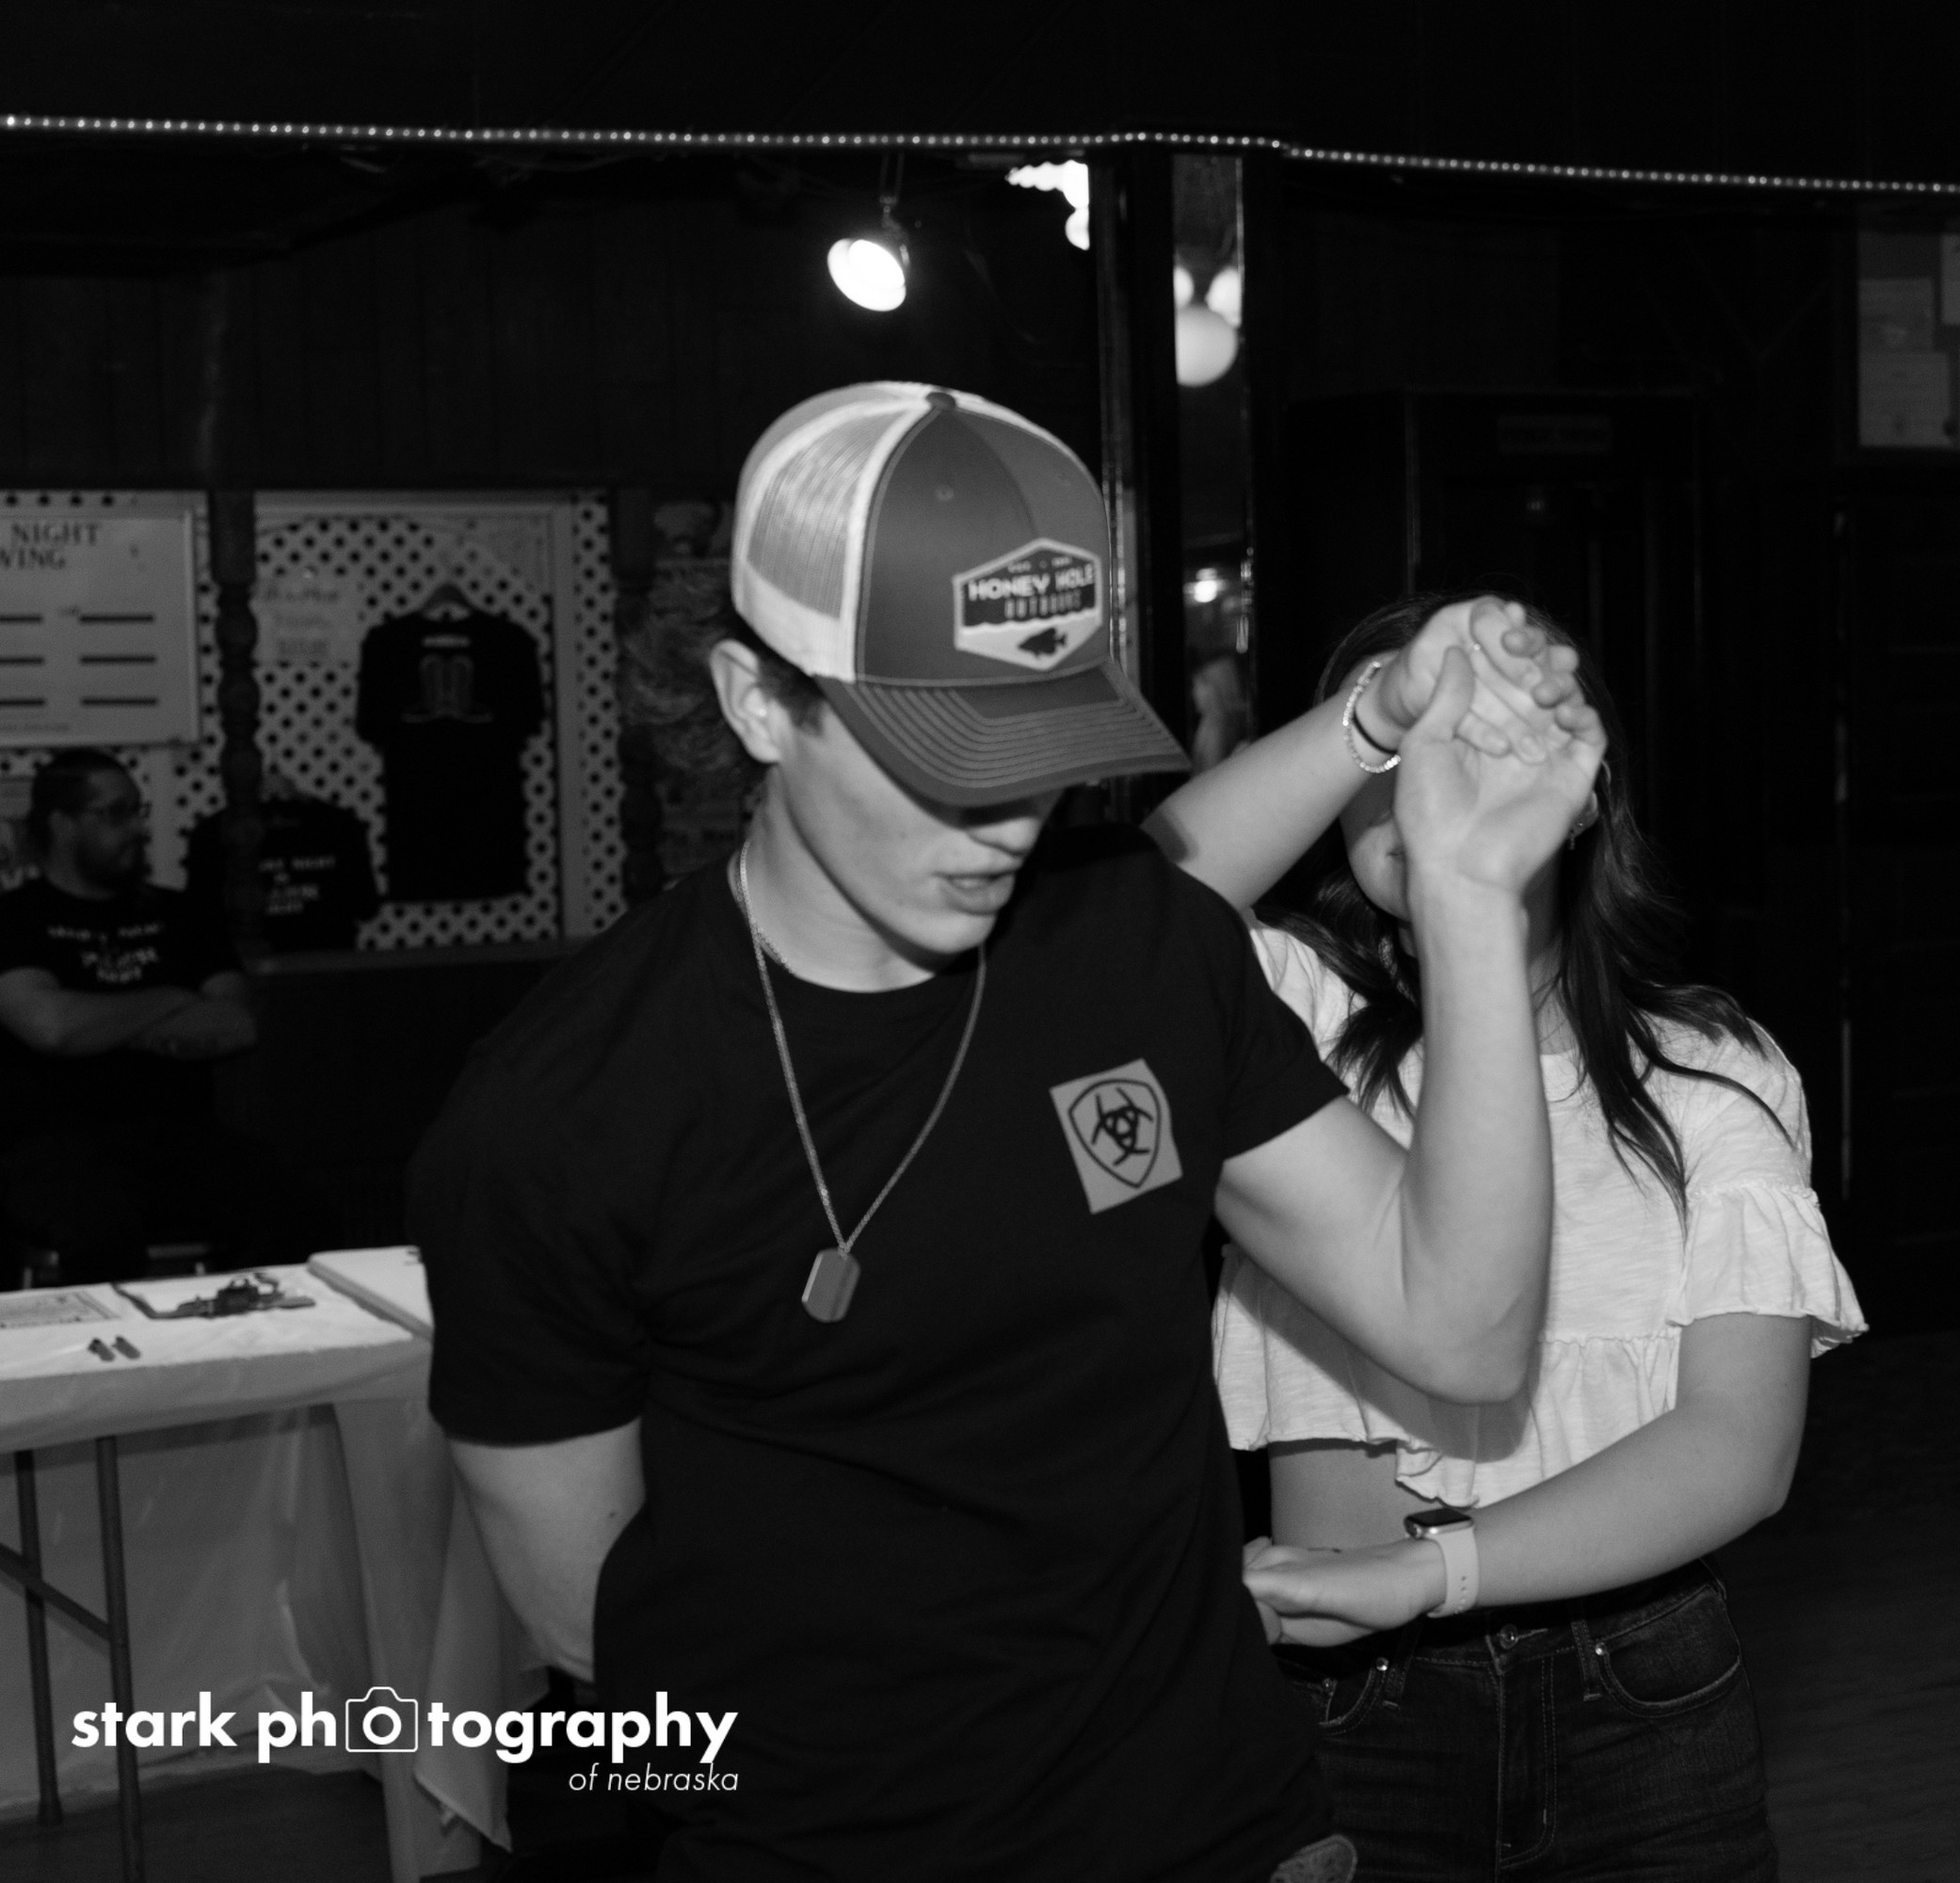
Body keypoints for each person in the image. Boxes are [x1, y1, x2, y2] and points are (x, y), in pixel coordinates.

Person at [413, 384, 1604, 1882]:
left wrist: (1472, 893)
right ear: (757, 702)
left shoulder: (1134, 952)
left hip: (1216, 1835)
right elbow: (590, 1623)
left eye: (1039, 750)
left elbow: (1465, 1332)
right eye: (938, 755)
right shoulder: (559, 1118)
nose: (1005, 821)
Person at [1147, 595, 1866, 1881]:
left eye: (1471, 738)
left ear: (1578, 792)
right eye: (1391, 754)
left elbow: (1738, 1450)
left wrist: (1433, 1573)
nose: (1422, 785)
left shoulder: (1712, 1075)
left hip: (1642, 1695)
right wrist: (1367, 713)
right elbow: (1141, 912)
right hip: (1353, 1707)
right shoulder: (1293, 1024)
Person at [0, 748, 331, 1285]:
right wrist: (172, 999)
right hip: (53, 1143)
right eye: (116, 813)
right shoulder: (14, 920)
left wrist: (103, 1023)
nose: (137, 828)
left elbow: (234, 1024)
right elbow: (51, 1027)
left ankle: (241, 1330)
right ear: (62, 824)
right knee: (100, 1232)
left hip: (182, 1136)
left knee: (300, 1211)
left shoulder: (181, 913)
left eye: (138, 810)